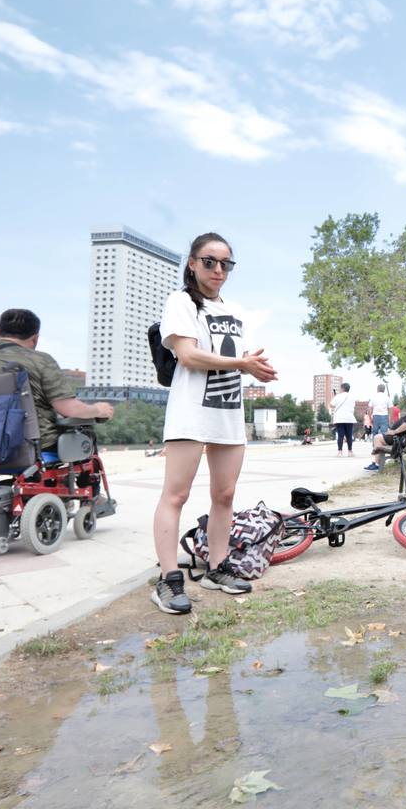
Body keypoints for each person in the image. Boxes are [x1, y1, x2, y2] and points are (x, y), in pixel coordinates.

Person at [151, 232, 277, 614]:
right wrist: (242, 363)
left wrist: (251, 366)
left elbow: (229, 360)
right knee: (176, 495)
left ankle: (217, 568)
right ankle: (169, 580)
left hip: (227, 412)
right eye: (209, 261)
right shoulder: (180, 302)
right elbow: (188, 356)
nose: (218, 270)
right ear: (192, 263)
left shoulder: (235, 311)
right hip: (191, 412)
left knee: (225, 495)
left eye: (226, 263)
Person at [0, 309, 115, 463]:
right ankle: (89, 482)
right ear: (35, 338)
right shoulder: (40, 360)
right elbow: (69, 409)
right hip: (32, 446)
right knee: (86, 431)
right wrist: (98, 409)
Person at [363, 394, 406, 471]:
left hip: (401, 439)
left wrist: (394, 431)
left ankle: (376, 464)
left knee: (377, 438)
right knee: (380, 437)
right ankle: (378, 462)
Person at [330, 382, 356, 456]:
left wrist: (334, 397)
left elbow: (331, 405)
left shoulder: (337, 396)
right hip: (349, 418)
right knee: (349, 435)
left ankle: (340, 452)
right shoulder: (352, 397)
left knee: (340, 435)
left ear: (342, 388)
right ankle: (350, 451)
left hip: (339, 418)